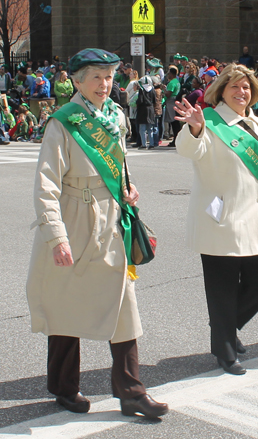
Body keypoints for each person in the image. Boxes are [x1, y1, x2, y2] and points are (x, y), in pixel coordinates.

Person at [26, 48, 168, 418]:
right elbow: (46, 185)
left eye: (109, 77)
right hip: (75, 218)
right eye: (96, 77)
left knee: (125, 302)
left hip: (112, 218)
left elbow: (119, 163)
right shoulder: (62, 123)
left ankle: (131, 391)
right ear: (76, 80)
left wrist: (128, 187)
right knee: (65, 304)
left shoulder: (115, 115)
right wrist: (56, 237)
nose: (105, 85)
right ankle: (63, 386)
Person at [174, 63, 258, 375]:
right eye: (234, 86)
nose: (242, 92)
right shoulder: (206, 121)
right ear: (221, 91)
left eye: (247, 87)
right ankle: (224, 350)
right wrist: (194, 129)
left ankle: (224, 328)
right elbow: (189, 150)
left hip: (256, 216)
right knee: (221, 286)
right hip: (220, 216)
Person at [136, 75, 156, 149]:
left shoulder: (141, 89)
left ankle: (144, 144)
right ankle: (152, 143)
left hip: (143, 110)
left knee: (142, 129)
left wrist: (136, 102)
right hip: (150, 109)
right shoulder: (152, 89)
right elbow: (154, 100)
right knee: (150, 128)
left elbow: (140, 100)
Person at [163, 66, 181, 147]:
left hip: (171, 101)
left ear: (171, 74)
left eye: (169, 73)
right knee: (175, 122)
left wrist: (164, 89)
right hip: (175, 100)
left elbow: (168, 93)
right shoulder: (177, 81)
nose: (168, 75)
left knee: (173, 121)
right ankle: (176, 139)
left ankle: (176, 139)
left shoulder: (172, 83)